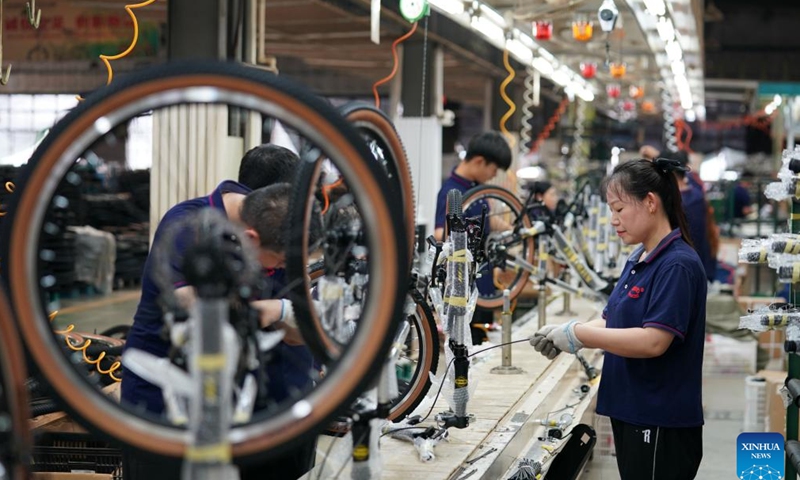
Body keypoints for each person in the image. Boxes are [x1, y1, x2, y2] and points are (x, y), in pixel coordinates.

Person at [121, 180, 322, 480]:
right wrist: (268, 310)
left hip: (232, 407)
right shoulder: (188, 225)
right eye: (279, 262)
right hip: (162, 402)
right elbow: (190, 302)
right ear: (251, 239)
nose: (281, 269)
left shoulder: (275, 236)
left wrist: (279, 310)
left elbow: (298, 334)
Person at [531, 158, 706, 479]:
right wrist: (565, 333)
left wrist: (580, 334)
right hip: (632, 409)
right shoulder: (639, 258)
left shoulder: (676, 265)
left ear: (650, 202)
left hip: (659, 419)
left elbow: (654, 341)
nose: (613, 220)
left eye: (619, 209)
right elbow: (612, 321)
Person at [433, 131, 512, 344]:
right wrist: (464, 237)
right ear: (479, 161)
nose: (493, 176)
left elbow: (489, 221)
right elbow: (440, 233)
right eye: (493, 170)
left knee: (481, 339)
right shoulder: (451, 192)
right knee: (468, 344)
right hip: (464, 285)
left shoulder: (476, 189)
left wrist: (514, 232)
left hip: (483, 284)